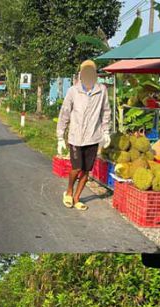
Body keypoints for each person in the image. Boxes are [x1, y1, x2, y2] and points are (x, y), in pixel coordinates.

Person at [56, 60, 112, 211]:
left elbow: (106, 111)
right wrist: (60, 136)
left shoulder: (102, 91)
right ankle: (68, 191)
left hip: (93, 137)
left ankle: (77, 198)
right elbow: (65, 113)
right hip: (76, 137)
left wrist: (106, 131)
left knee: (86, 170)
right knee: (76, 167)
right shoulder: (73, 91)